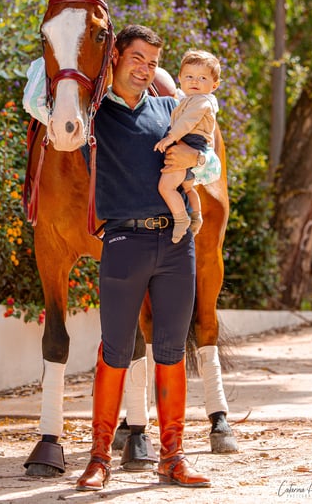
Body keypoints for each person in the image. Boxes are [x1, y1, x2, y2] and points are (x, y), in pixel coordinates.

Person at [74, 25, 218, 491]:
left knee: (173, 352)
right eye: (137, 58)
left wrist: (194, 160)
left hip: (176, 245)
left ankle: (172, 457)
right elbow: (40, 95)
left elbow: (211, 162)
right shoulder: (92, 114)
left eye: (153, 62)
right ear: (116, 55)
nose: (145, 68)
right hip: (122, 243)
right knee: (114, 351)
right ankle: (99, 459)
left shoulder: (170, 110)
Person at [154, 50, 221, 243]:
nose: (195, 82)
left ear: (214, 85)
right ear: (180, 78)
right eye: (189, 76)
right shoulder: (190, 99)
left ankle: (181, 219)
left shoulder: (202, 102)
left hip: (190, 142)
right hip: (193, 142)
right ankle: (196, 215)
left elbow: (187, 122)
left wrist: (170, 138)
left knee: (166, 187)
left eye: (202, 78)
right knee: (188, 187)